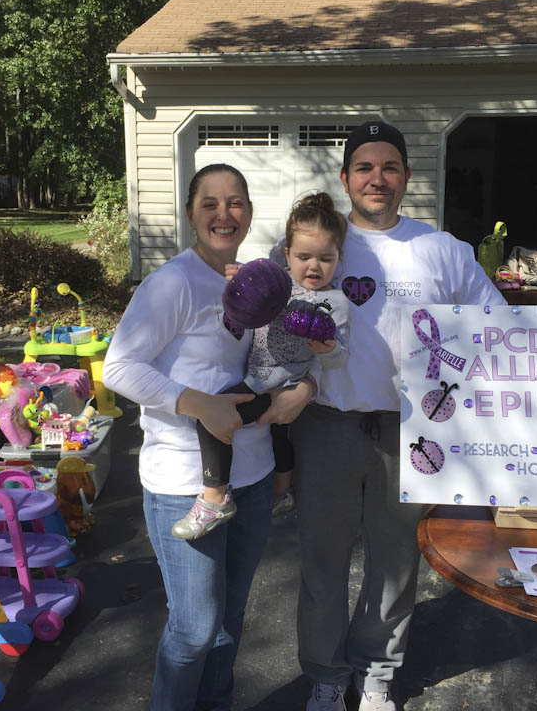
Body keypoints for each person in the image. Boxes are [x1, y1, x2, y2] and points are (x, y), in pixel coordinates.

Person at [289, 121, 506, 711]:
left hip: (412, 430)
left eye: (389, 168)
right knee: (322, 559)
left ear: (407, 177)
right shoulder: (321, 245)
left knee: (394, 561)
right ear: (345, 178)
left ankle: (377, 672)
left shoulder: (444, 251)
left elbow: (499, 327)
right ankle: (326, 675)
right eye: (364, 167)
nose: (376, 178)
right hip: (326, 425)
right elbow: (265, 309)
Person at [102, 163, 313, 710]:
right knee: (195, 629)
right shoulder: (172, 281)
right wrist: (199, 406)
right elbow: (119, 367)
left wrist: (305, 386)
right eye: (211, 203)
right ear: (191, 214)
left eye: (236, 202)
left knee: (229, 619)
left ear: (248, 212)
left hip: (254, 476)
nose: (225, 214)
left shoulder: (258, 280)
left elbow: (284, 353)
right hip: (184, 482)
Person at [173, 192, 351, 540]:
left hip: (281, 386)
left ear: (339, 258)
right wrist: (242, 282)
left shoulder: (337, 303)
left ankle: (215, 497)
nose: (313, 266)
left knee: (213, 417)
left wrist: (327, 347)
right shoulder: (277, 282)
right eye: (303, 257)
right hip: (255, 374)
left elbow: (340, 358)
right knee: (275, 437)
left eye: (325, 258)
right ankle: (280, 494)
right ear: (287, 255)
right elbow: (249, 293)